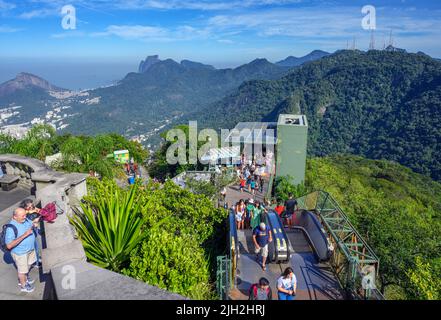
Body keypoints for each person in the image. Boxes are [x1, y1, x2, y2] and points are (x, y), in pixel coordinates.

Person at [5, 208, 38, 293]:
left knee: (29, 265)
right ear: (15, 217)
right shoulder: (11, 228)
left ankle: (25, 278)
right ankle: (23, 285)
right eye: (22, 216)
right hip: (20, 253)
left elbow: (31, 224)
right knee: (22, 270)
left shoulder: (25, 220)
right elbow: (9, 245)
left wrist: (34, 223)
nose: (25, 217)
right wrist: (25, 235)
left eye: (25, 215)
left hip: (30, 250)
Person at [20, 199, 42, 268]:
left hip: (33, 230)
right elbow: (23, 225)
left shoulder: (33, 209)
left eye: (32, 206)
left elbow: (42, 212)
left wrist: (38, 217)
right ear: (24, 207)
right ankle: (35, 262)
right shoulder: (23, 214)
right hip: (28, 233)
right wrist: (33, 223)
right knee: (33, 247)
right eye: (29, 207)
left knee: (36, 246)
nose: (31, 208)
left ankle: (37, 258)